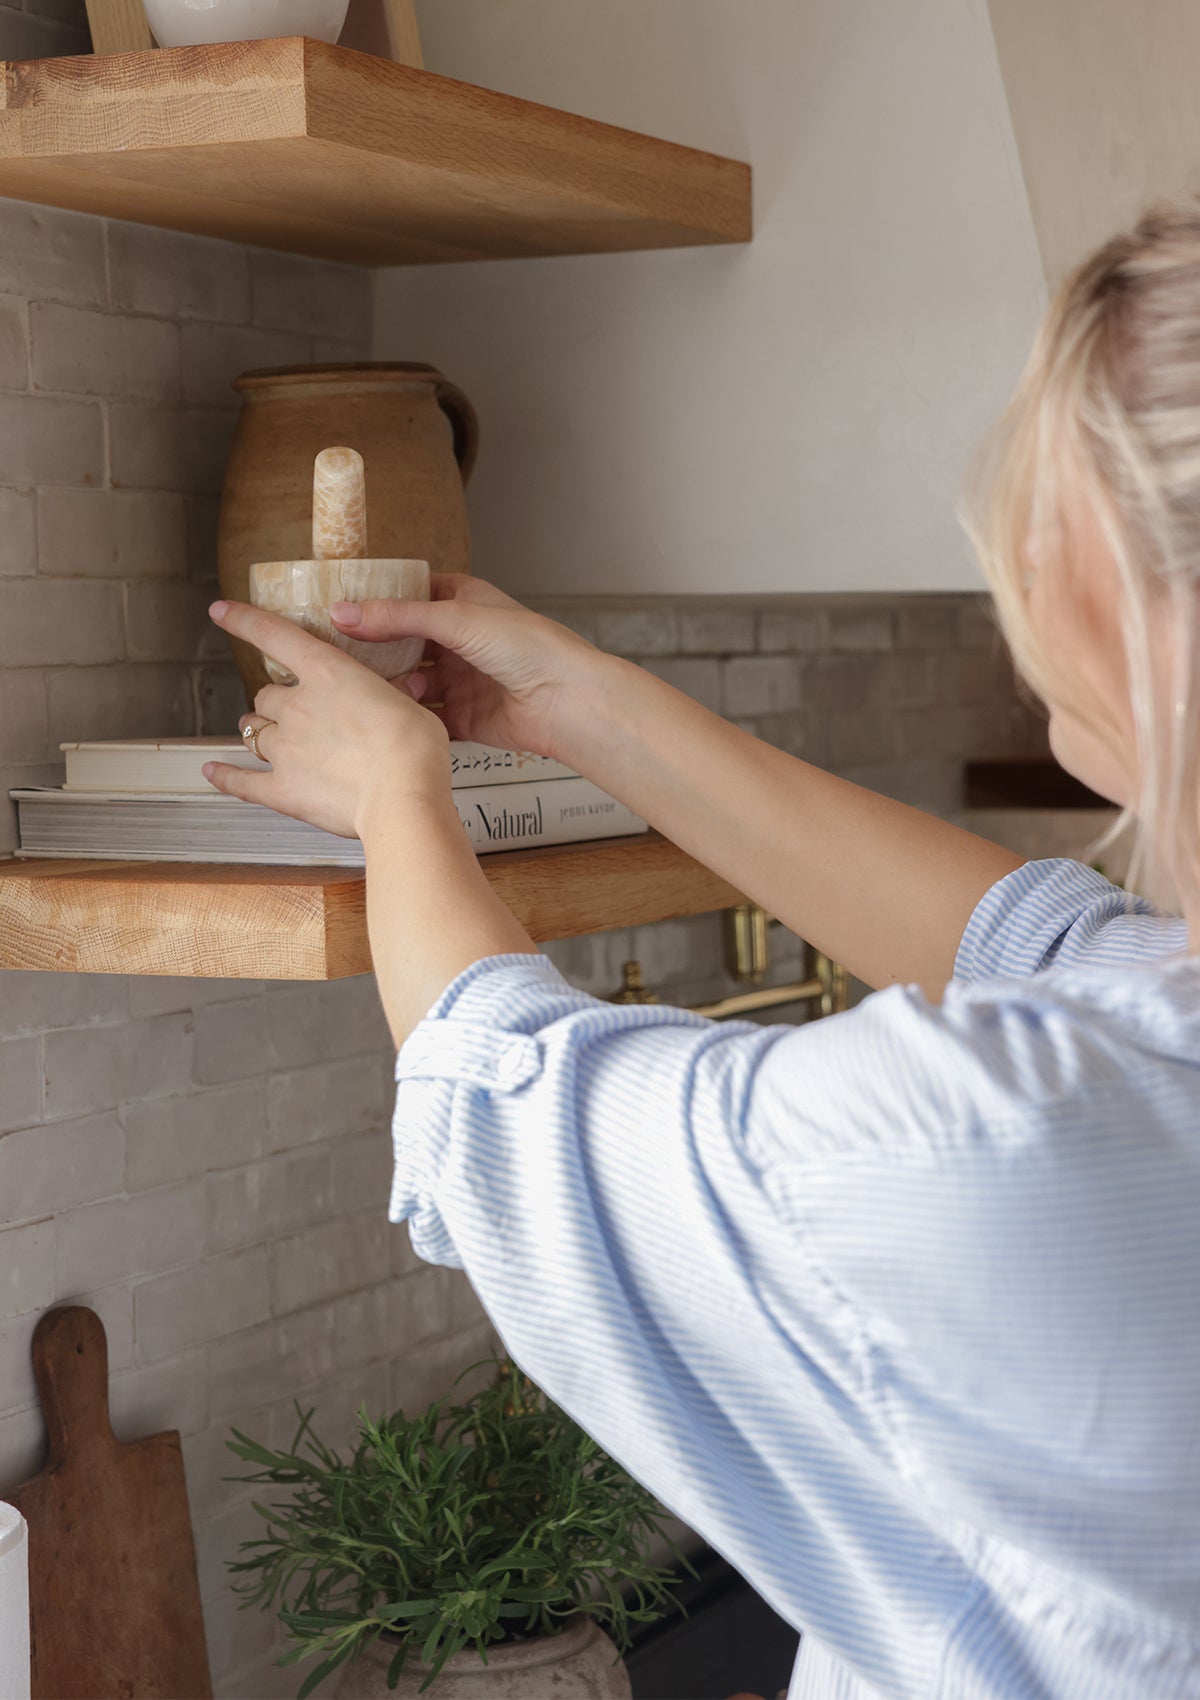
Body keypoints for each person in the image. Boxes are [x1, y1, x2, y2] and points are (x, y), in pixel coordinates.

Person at [204, 204, 1200, 1700]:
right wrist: (587, 706)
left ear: (1131, 594)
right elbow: (1037, 943)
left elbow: (507, 1104)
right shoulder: (1145, 1043)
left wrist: (394, 795)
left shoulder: (1010, 1140)